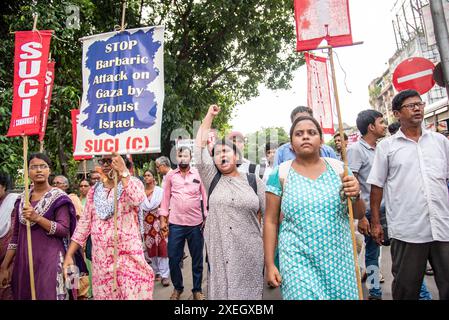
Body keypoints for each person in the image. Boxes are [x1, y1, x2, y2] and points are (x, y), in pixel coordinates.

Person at [264, 115, 366, 300]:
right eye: (299, 133)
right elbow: (270, 221)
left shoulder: (340, 170)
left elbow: (358, 213)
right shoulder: (280, 174)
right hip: (297, 261)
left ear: (320, 140)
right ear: (291, 143)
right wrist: (270, 264)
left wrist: (356, 194)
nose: (305, 137)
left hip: (340, 260)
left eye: (311, 133)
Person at [368, 89, 449, 300]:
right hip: (408, 230)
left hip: (443, 225)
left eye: (419, 104)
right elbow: (376, 186)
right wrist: (376, 223)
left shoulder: (440, 142)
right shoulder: (387, 147)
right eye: (410, 106)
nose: (417, 108)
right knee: (406, 288)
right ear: (396, 114)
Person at [195, 105, 266, 300]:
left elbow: (269, 220)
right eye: (217, 153)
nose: (221, 155)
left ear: (236, 156)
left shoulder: (254, 181)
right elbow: (198, 148)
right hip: (220, 254)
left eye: (226, 151)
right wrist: (209, 115)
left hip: (250, 254)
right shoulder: (212, 179)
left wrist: (270, 258)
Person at [63, 153, 154, 300]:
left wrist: (124, 172)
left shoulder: (132, 183)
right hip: (102, 261)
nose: (105, 165)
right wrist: (69, 254)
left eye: (110, 160)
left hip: (128, 258)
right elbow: (84, 225)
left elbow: (138, 199)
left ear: (120, 162)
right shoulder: (94, 191)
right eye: (102, 161)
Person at [0, 153, 86, 300]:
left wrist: (37, 218)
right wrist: (5, 266)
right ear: (28, 172)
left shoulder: (59, 197)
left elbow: (63, 229)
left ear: (49, 171)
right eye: (34, 167)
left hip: (51, 259)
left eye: (43, 166)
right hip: (25, 261)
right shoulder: (22, 199)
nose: (38, 170)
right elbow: (15, 237)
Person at [347, 109, 388, 300]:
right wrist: (362, 217)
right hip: (371, 212)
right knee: (373, 254)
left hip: (389, 208)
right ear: (371, 127)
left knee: (401, 252)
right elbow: (352, 185)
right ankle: (375, 292)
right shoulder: (355, 150)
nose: (385, 125)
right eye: (382, 122)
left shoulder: (381, 147)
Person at [159, 147, 207, 300]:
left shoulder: (198, 174)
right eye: (180, 156)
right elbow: (165, 199)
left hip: (195, 224)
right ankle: (178, 288)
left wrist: (206, 216)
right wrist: (162, 220)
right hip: (176, 223)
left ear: (190, 157)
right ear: (176, 158)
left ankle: (197, 290)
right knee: (173, 258)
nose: (183, 158)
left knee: (197, 259)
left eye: (185, 155)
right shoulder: (171, 176)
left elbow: (205, 196)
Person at [139, 170, 169, 287]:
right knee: (151, 251)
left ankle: (165, 275)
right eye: (145, 176)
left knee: (162, 249)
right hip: (146, 226)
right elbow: (139, 211)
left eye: (148, 175)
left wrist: (165, 223)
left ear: (153, 177)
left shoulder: (160, 192)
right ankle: (156, 272)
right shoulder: (140, 193)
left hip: (159, 223)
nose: (146, 177)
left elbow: (165, 207)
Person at [0, 174, 19, 300]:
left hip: (10, 259)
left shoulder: (14, 202)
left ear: (3, 186)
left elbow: (14, 234)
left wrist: (4, 266)